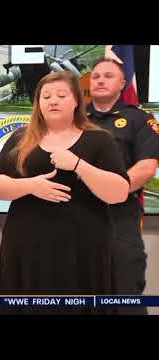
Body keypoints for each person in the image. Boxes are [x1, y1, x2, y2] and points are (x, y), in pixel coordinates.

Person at [0, 71, 129, 314]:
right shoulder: (21, 139)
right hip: (27, 247)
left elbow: (119, 192)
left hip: (83, 249)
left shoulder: (100, 140)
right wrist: (31, 186)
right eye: (46, 96)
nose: (52, 101)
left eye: (61, 95)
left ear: (76, 101)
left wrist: (78, 165)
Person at [88, 57, 159, 314]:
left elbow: (146, 167)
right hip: (77, 219)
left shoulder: (139, 119)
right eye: (96, 76)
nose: (100, 80)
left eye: (108, 76)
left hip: (121, 219)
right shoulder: (74, 119)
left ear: (122, 83)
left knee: (126, 299)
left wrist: (109, 190)